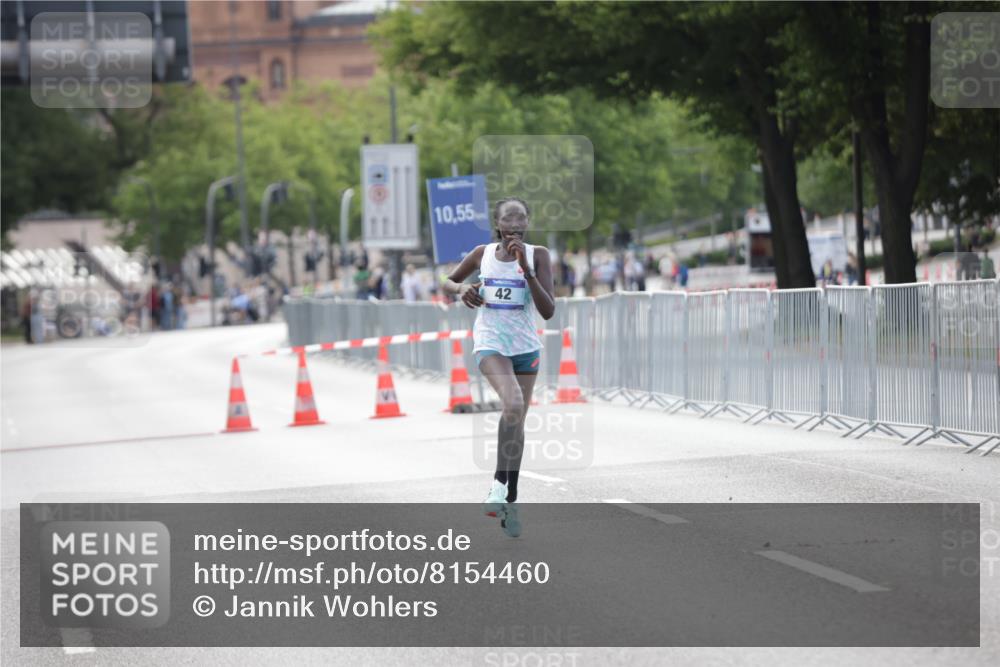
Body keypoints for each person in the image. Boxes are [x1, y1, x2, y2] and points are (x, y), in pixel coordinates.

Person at [442, 196, 556, 538]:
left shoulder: (539, 256)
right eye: (509, 220)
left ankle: (511, 501)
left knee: (515, 421)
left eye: (521, 220)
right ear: (499, 224)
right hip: (491, 344)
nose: (515, 226)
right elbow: (447, 281)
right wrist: (463, 288)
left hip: (525, 348)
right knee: (513, 405)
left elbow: (548, 310)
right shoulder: (483, 254)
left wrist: (528, 272)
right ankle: (496, 485)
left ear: (526, 224)